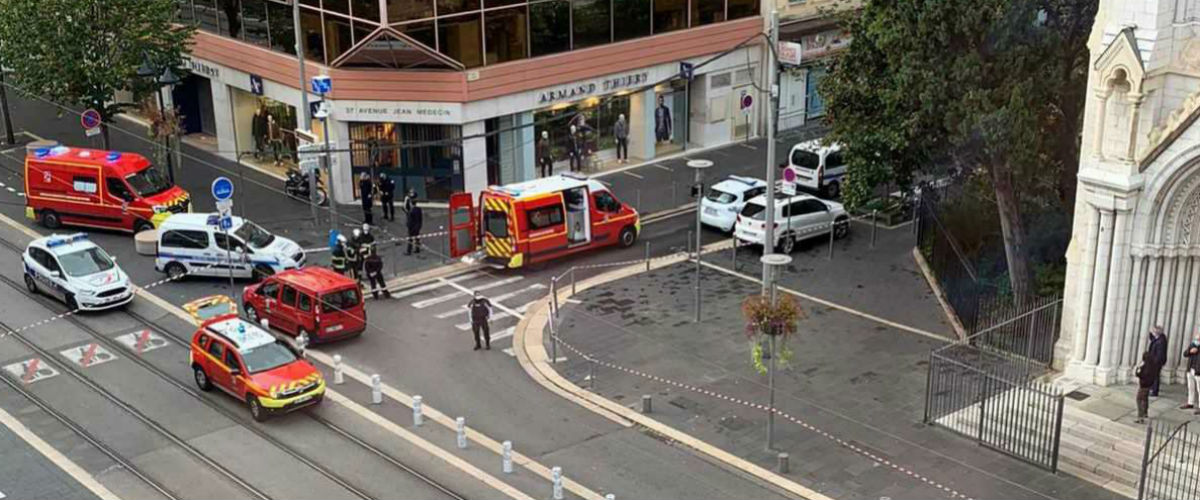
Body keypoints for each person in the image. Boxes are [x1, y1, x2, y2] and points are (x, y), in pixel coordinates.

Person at [1136, 351, 1159, 424]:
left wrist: (1138, 368)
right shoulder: (1153, 366)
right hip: (1149, 385)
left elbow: (1139, 374)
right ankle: (1145, 413)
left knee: (1139, 400)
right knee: (1145, 399)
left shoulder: (1145, 367)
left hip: (1143, 386)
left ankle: (1140, 417)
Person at [1147, 326, 1169, 397]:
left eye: (1153, 331)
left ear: (1156, 333)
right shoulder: (1159, 338)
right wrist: (1150, 333)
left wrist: (1153, 362)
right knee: (1153, 375)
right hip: (1155, 360)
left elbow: (1159, 355)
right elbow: (1152, 339)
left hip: (1157, 362)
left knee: (1155, 375)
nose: (1152, 333)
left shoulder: (1161, 342)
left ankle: (1154, 392)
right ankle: (1152, 388)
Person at [1183, 334, 1200, 414]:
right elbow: (1185, 354)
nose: (1197, 340)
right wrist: (1190, 351)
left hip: (1198, 371)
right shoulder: (1193, 344)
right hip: (1190, 369)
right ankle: (1190, 403)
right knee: (1190, 387)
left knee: (1199, 389)